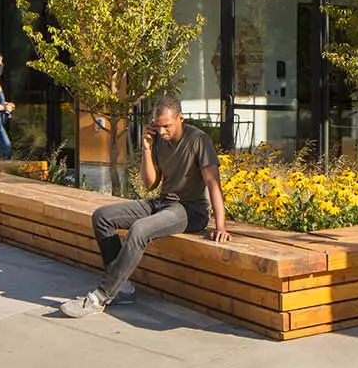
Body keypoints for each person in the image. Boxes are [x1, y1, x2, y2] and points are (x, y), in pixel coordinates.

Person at [61, 97, 231, 318]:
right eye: (158, 126)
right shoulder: (158, 140)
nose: (161, 131)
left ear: (180, 118)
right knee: (102, 216)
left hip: (190, 211)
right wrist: (147, 149)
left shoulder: (199, 140)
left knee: (140, 229)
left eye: (167, 126)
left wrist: (221, 226)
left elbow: (213, 183)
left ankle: (100, 297)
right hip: (163, 203)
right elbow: (150, 183)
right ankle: (122, 288)